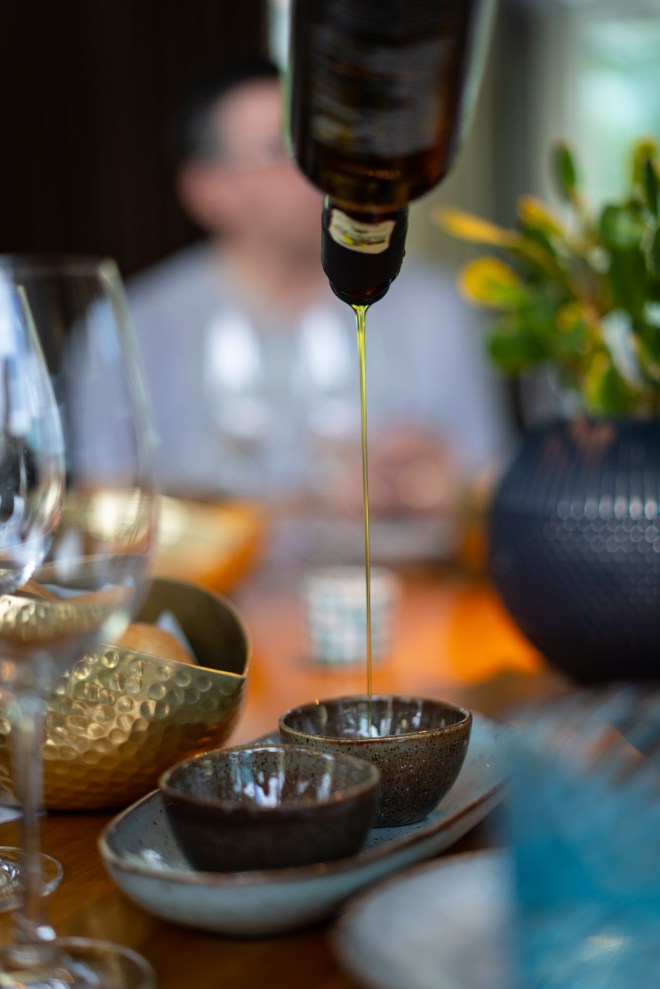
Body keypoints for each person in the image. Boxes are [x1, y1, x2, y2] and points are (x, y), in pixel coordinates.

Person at [127, 55, 514, 564]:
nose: (321, 171)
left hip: (414, 601)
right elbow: (109, 520)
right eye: (281, 150)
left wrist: (445, 487)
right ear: (210, 189)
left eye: (329, 145)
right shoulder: (140, 326)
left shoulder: (433, 309)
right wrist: (307, 502)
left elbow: (493, 491)